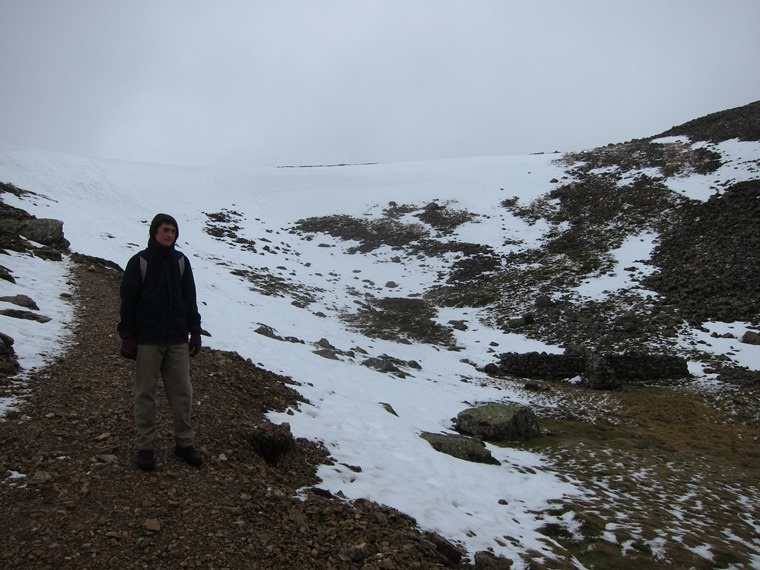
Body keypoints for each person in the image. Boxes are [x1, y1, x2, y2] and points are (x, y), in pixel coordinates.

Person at [118, 213, 203, 472]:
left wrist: (195, 330)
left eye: (173, 231)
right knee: (145, 394)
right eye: (165, 230)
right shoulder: (139, 262)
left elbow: (190, 299)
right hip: (148, 340)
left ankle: (184, 443)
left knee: (182, 394)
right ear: (154, 232)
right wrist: (128, 336)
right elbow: (128, 301)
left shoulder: (181, 262)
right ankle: (145, 447)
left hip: (177, 338)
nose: (170, 235)